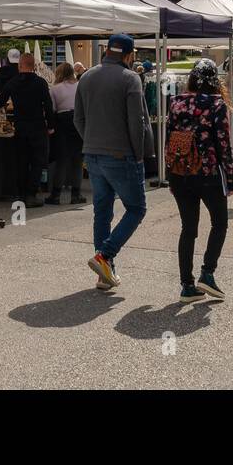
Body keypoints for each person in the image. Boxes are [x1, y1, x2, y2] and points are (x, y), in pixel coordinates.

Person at [74, 33, 153, 290]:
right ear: (129, 55)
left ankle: (104, 273)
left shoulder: (86, 76)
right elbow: (137, 122)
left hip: (93, 154)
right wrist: (139, 154)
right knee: (137, 208)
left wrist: (91, 140)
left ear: (107, 51)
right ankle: (105, 256)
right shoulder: (131, 78)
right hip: (121, 154)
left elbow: (78, 119)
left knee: (102, 212)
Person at [165, 59, 233, 303]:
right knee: (219, 223)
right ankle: (207, 272)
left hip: (180, 173)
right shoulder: (216, 104)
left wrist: (169, 172)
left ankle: (187, 285)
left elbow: (168, 138)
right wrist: (231, 176)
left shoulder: (176, 102)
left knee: (188, 229)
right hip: (208, 174)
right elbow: (223, 144)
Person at [0, 53, 55, 207]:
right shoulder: (40, 83)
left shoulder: (12, 82)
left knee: (22, 161)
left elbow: (0, 101)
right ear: (33, 65)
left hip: (20, 126)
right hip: (37, 126)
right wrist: (51, 125)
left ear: (20, 65)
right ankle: (31, 194)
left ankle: (21, 193)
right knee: (37, 161)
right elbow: (48, 105)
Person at [47, 62, 87, 205]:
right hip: (79, 121)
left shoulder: (54, 89)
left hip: (62, 122)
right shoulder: (80, 86)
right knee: (77, 160)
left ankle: (56, 194)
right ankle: (76, 194)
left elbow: (51, 109)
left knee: (61, 160)